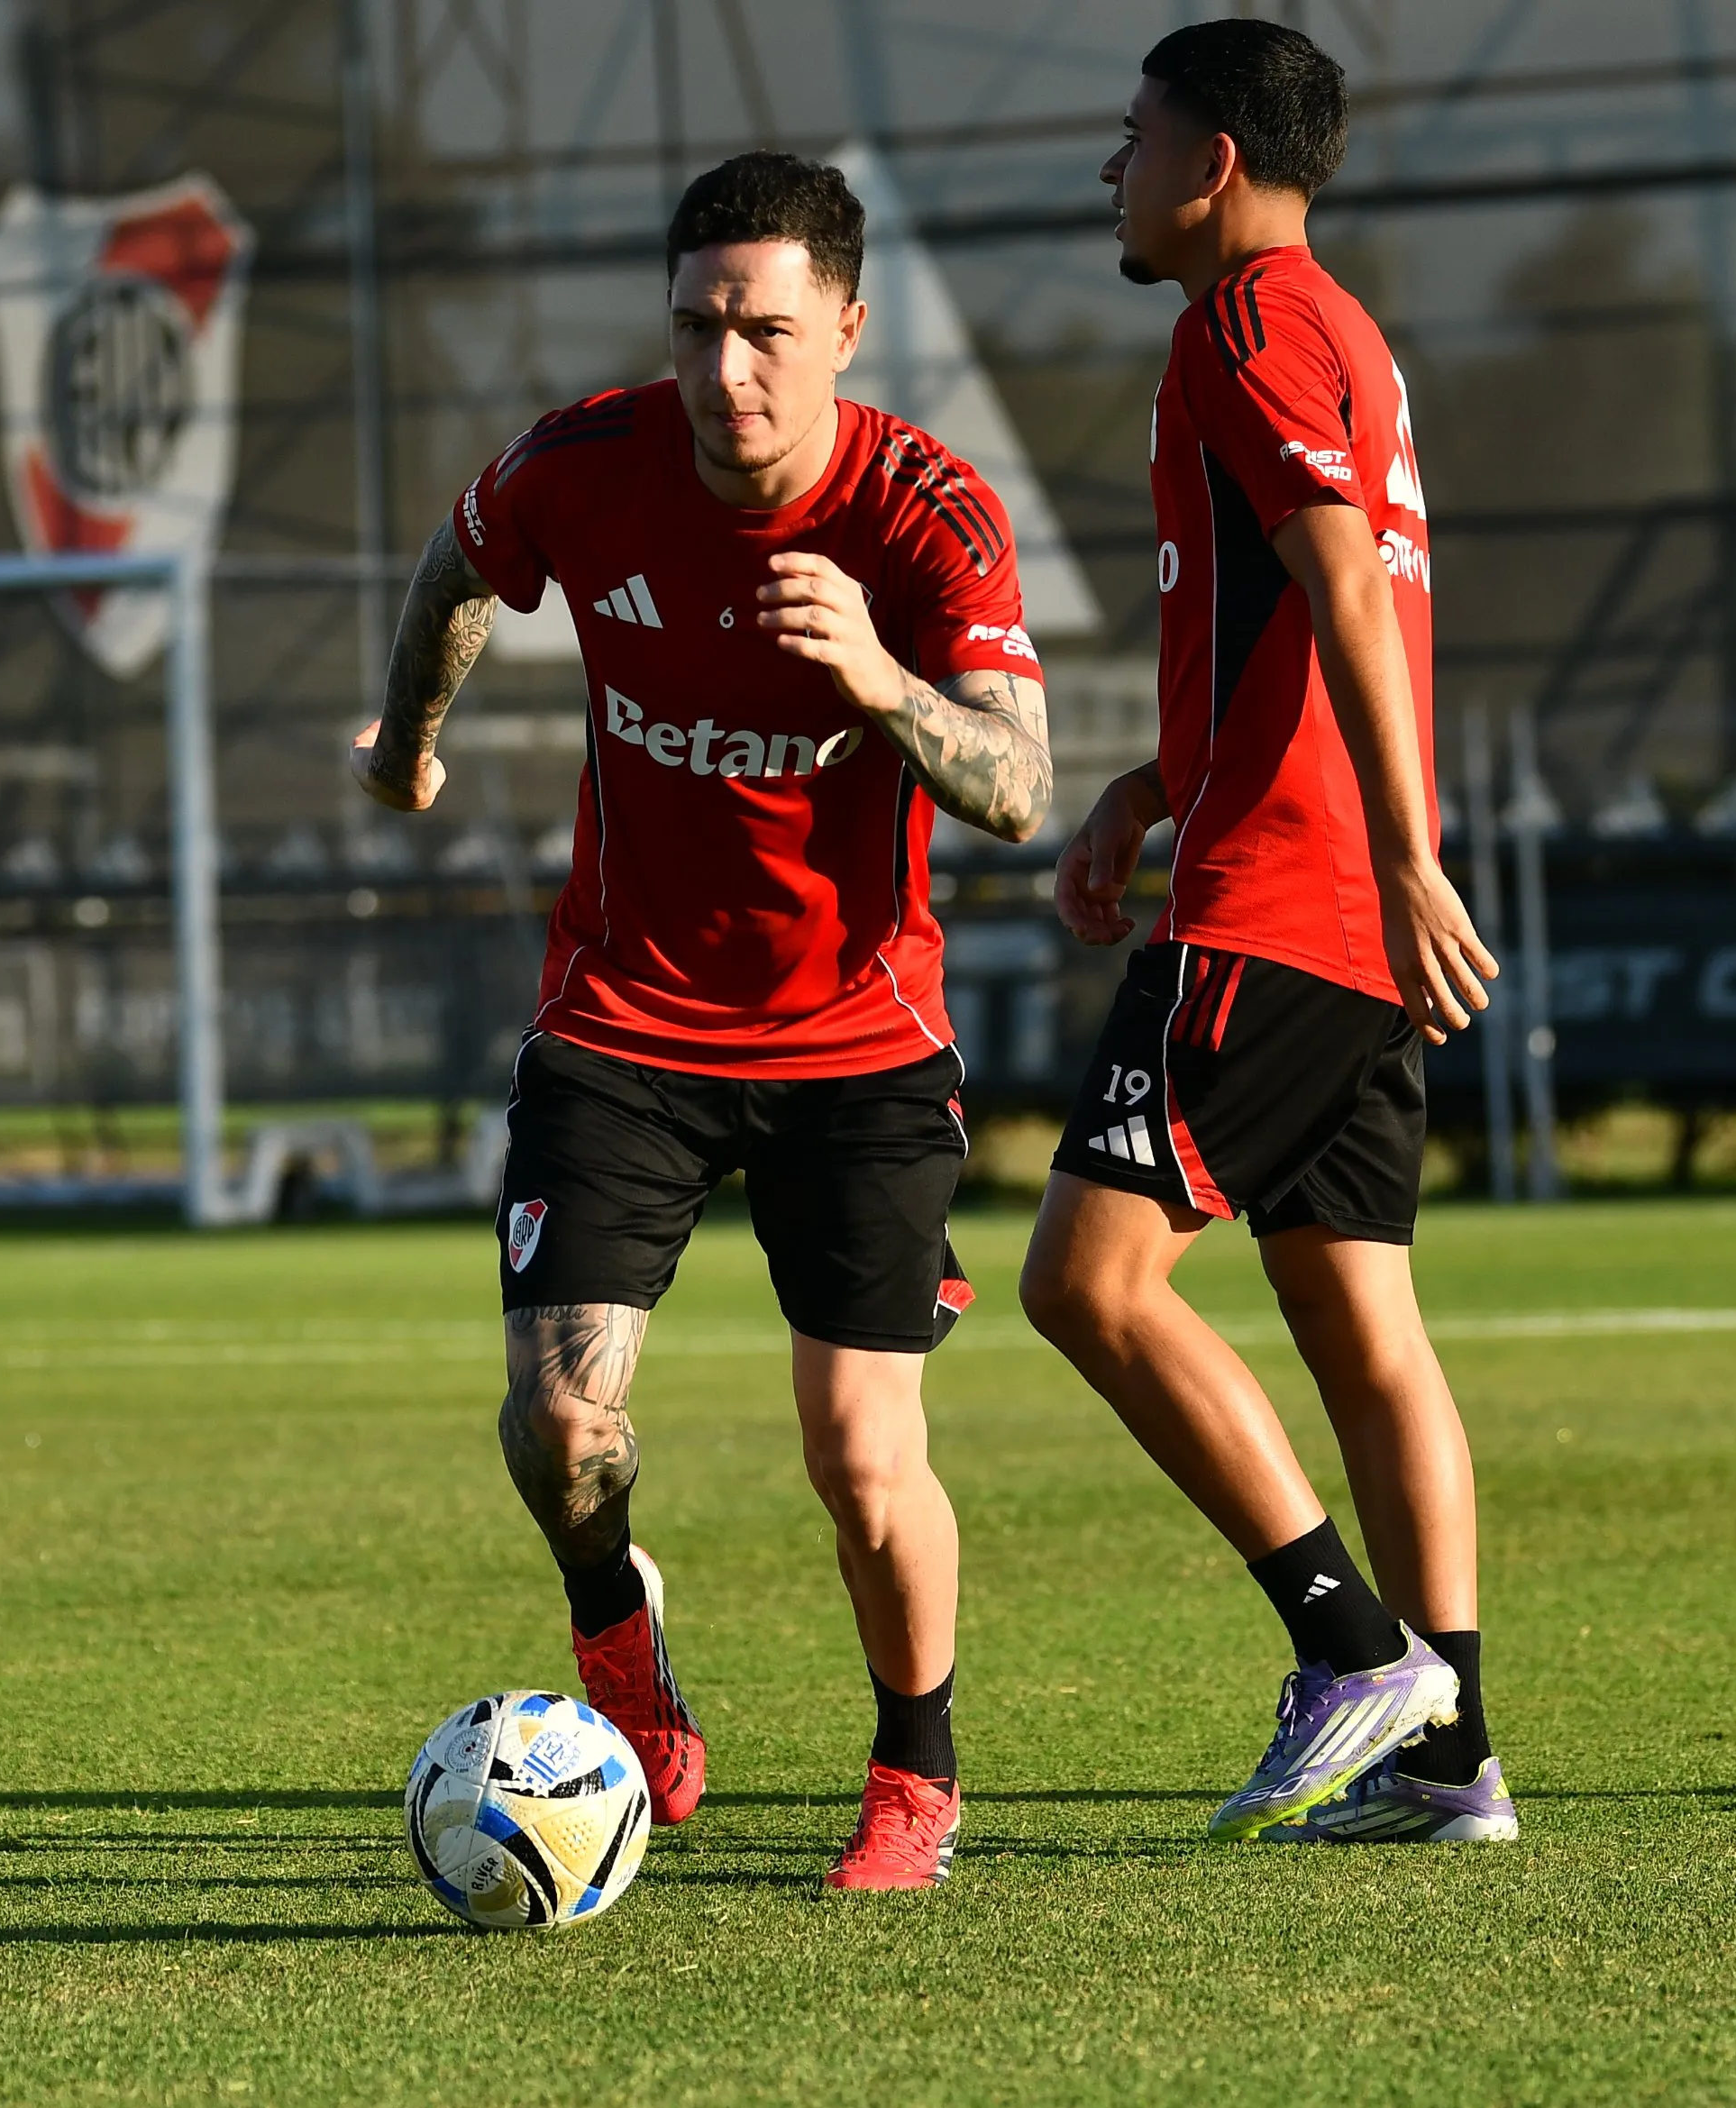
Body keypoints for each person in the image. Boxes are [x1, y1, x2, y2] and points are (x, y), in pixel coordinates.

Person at [350, 151, 1055, 1890]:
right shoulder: (586, 466)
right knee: (559, 1428)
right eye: (696, 327)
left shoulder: (925, 513)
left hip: (856, 1044)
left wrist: (883, 684)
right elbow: (456, 567)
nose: (725, 372)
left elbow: (1024, 789)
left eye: (765, 332)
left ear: (846, 331)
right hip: (623, 1024)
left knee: (861, 1456)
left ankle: (917, 1771)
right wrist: (404, 744)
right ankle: (616, 1629)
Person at [1017, 20, 1513, 1845]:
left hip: (1288, 903)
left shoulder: (1241, 323)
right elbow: (1298, 631)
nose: (1110, 171)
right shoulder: (1343, 333)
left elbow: (1330, 592)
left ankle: (1349, 1646)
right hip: (1324, 896)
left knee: (1084, 1280)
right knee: (1355, 1319)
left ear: (1211, 158)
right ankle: (1452, 1760)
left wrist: (1396, 855)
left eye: (1132, 137)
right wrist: (1152, 787)